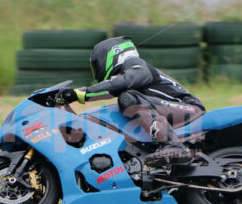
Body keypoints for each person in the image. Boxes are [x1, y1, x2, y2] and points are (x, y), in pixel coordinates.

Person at [56, 36, 205, 164]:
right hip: (165, 111)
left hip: (189, 109)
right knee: (102, 114)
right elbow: (108, 91)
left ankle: (174, 146)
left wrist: (82, 93)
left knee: (127, 99)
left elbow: (123, 82)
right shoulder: (129, 86)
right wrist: (62, 106)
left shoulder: (136, 65)